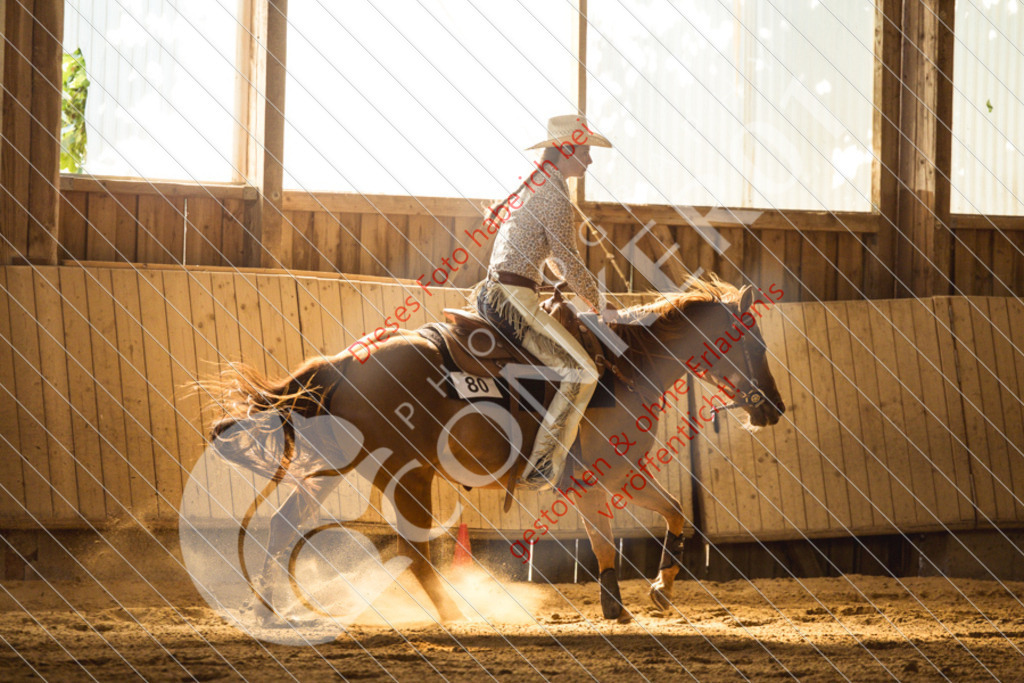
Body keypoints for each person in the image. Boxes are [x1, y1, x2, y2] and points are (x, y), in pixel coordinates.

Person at [476, 114, 613, 489]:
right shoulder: (553, 194)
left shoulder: (535, 185)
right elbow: (568, 261)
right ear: (568, 150)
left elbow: (553, 258)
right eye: (585, 151)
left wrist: (573, 286)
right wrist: (601, 303)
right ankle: (540, 467)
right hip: (513, 299)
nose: (590, 160)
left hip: (494, 293)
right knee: (583, 371)